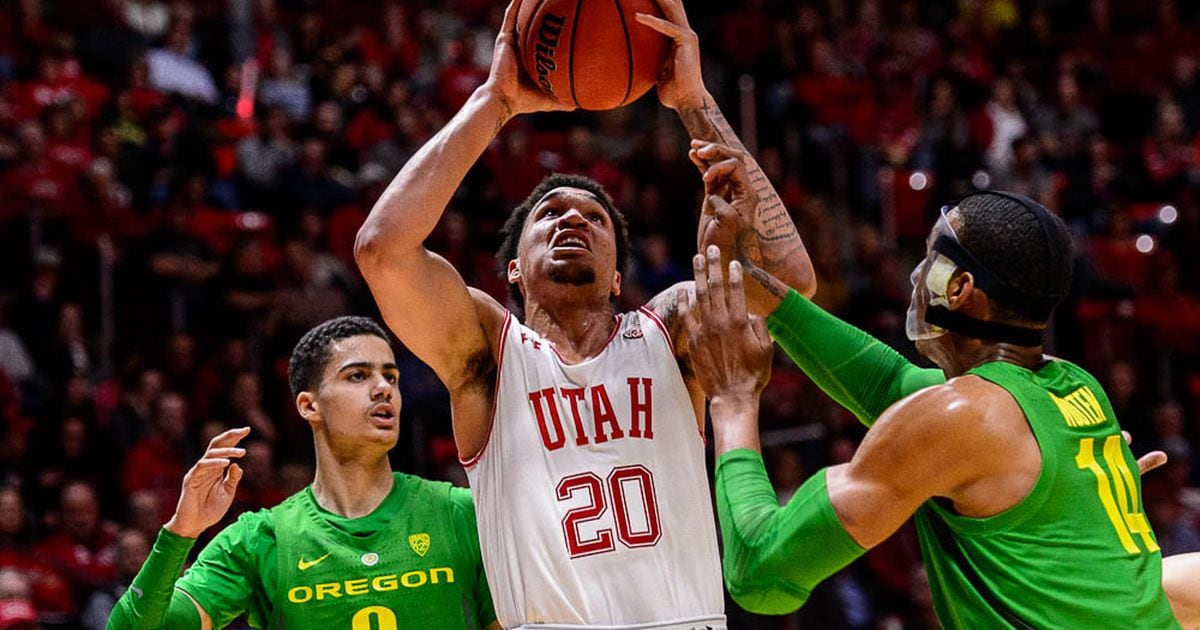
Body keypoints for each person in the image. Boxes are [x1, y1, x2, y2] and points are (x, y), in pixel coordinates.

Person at [352, 0, 815, 626]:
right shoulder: (488, 354)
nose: (572, 217)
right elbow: (382, 251)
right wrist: (495, 101)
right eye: (549, 214)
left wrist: (693, 101)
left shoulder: (671, 327)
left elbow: (792, 286)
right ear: (513, 268)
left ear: (619, 275)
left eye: (594, 218)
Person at [678, 181, 1179, 627]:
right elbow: (887, 382)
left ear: (959, 290)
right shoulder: (1072, 385)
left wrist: (733, 399)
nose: (917, 275)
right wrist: (761, 292)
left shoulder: (962, 417)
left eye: (932, 260)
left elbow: (761, 575)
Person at [106, 316, 496, 628]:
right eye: (358, 376)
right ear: (309, 406)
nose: (383, 389)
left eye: (390, 376)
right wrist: (181, 533)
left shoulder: (462, 514)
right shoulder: (260, 539)